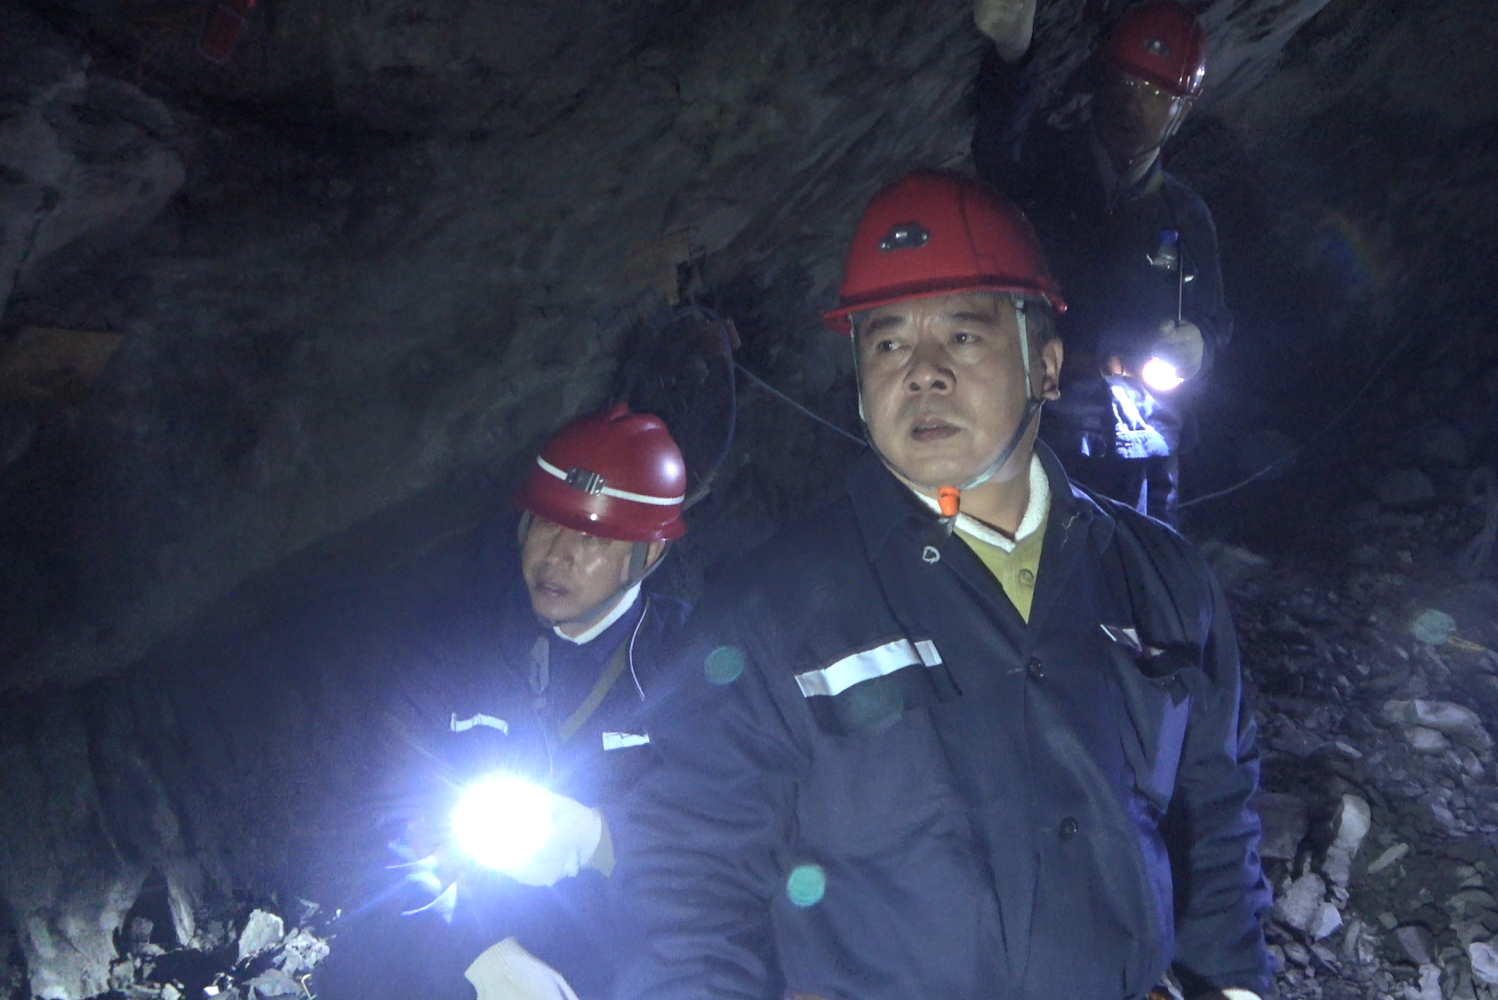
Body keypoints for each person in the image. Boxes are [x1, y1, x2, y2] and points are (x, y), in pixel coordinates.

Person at [612, 171, 1271, 1000]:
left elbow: (1215, 820)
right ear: (860, 385)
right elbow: (686, 887)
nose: (922, 373)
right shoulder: (765, 617)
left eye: (964, 336)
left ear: (1046, 367)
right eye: (888, 345)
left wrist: (1233, 987)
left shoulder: (1163, 582)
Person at [313, 403, 691, 1000]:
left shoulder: (695, 669)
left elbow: (735, 847)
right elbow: (382, 821)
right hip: (478, 924)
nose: (557, 555)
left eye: (592, 535)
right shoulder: (455, 648)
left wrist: (604, 839)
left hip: (631, 939)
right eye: (546, 524)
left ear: (651, 553)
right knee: (363, 965)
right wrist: (476, 952)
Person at [972, 0, 1230, 523]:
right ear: (1100, 82)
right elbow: (1002, 147)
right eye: (1126, 83)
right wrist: (1012, 54)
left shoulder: (1185, 216)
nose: (1134, 104)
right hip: (1043, 426)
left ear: (1181, 112)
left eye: (1156, 94)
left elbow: (1214, 321)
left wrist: (1199, 345)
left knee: (1142, 565)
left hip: (1144, 440)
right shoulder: (1044, 165)